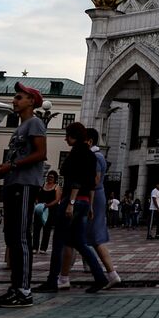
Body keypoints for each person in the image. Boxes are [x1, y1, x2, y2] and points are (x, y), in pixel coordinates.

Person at [0, 82, 47, 306]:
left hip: (25, 184)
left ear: (31, 101)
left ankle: (24, 290)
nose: (14, 101)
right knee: (12, 237)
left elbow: (41, 153)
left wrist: (12, 167)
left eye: (19, 97)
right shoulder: (20, 127)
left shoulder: (34, 123)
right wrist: (0, 170)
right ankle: (15, 287)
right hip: (13, 183)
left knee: (22, 237)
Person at [58, 122, 109, 293]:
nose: (65, 138)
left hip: (74, 201)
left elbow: (76, 181)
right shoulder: (91, 155)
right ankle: (100, 277)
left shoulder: (78, 153)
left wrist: (71, 203)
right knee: (80, 242)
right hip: (85, 201)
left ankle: (57, 279)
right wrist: (90, 205)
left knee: (62, 240)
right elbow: (92, 184)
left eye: (68, 135)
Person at [36, 171, 60, 252]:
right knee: (36, 228)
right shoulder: (43, 185)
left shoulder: (56, 187)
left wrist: (48, 205)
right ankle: (35, 247)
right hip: (40, 209)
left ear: (55, 179)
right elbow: (37, 196)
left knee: (47, 229)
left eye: (52, 177)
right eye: (49, 176)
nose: (50, 178)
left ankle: (43, 248)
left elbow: (57, 199)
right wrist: (38, 203)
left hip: (50, 210)